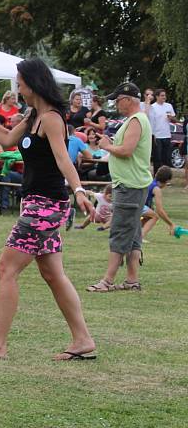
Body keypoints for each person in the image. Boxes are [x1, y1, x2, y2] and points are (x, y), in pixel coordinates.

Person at [0, 58, 96, 361]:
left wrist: (80, 190)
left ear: (31, 83)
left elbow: (62, 159)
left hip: (46, 205)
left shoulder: (52, 119)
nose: (16, 87)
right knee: (52, 273)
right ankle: (83, 340)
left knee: (6, 269)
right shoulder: (34, 116)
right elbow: (5, 138)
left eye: (19, 82)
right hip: (39, 203)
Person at [87, 82, 153, 293]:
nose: (116, 103)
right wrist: (111, 142)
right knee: (133, 233)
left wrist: (107, 146)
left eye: (117, 99)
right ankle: (132, 280)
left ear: (127, 99)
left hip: (129, 185)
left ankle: (107, 280)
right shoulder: (136, 120)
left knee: (120, 232)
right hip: (132, 184)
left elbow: (126, 150)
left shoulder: (136, 120)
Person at [140, 167, 177, 240]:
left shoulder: (150, 182)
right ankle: (140, 237)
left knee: (149, 215)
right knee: (155, 216)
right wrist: (171, 224)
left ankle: (134, 234)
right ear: (167, 181)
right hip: (138, 205)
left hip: (135, 203)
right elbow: (160, 211)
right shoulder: (156, 189)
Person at [146, 89, 177, 172]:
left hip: (167, 135)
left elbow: (175, 120)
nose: (164, 97)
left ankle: (166, 178)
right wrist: (153, 135)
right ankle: (157, 177)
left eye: (165, 95)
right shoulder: (153, 107)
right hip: (157, 136)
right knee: (157, 158)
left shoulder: (169, 106)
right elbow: (150, 122)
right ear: (157, 97)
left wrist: (171, 118)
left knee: (166, 158)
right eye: (162, 95)